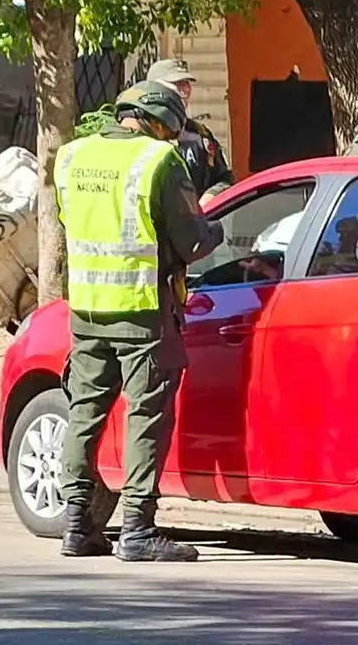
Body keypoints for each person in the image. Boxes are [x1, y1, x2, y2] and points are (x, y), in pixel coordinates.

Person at [55, 81, 223, 562]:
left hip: (88, 309)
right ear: (160, 122)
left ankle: (76, 525)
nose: (171, 139)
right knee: (146, 416)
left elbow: (71, 221)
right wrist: (217, 227)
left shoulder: (71, 156)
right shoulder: (158, 161)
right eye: (171, 130)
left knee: (84, 413)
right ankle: (137, 529)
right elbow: (193, 241)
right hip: (142, 311)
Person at [147, 57, 236, 204]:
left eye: (186, 83)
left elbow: (225, 178)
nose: (185, 90)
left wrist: (209, 198)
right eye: (177, 84)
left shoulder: (200, 135)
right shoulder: (141, 134)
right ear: (155, 89)